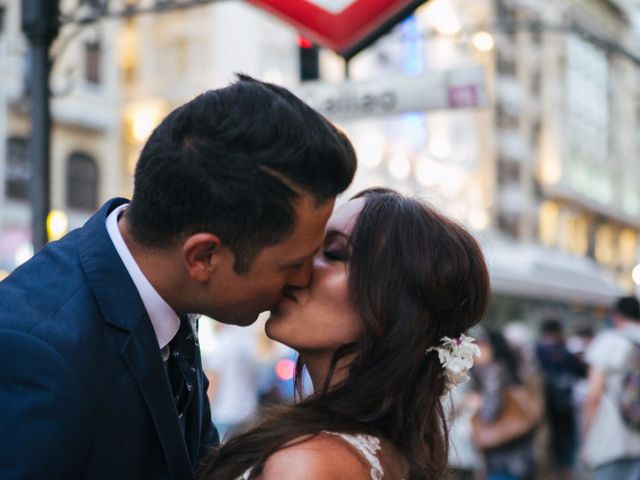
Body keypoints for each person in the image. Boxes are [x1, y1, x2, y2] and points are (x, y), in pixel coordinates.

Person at [0, 75, 356, 479]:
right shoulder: (39, 355)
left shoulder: (166, 296)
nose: (304, 279)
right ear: (203, 256)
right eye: (291, 264)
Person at [197, 187, 491, 479]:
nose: (299, 265)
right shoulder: (389, 450)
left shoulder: (310, 463)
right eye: (308, 246)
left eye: (334, 253)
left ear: (396, 309)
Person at [582, 296, 640, 480]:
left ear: (616, 316)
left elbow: (594, 395)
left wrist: (587, 437)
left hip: (610, 436)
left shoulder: (608, 342)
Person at [470, 328, 538, 480]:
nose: (475, 350)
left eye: (481, 345)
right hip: (518, 455)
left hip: (502, 456)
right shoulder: (509, 369)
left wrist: (477, 403)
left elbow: (490, 413)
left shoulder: (494, 373)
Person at [535, 318, 586, 480]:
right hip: (566, 406)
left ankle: (551, 474)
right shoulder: (567, 351)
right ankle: (566, 474)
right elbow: (582, 372)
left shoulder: (538, 350)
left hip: (545, 406)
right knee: (567, 444)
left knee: (548, 444)